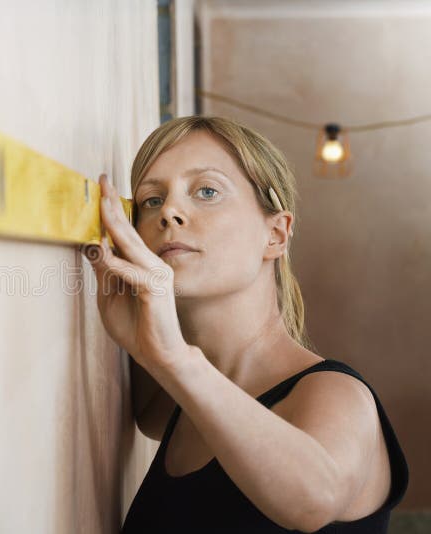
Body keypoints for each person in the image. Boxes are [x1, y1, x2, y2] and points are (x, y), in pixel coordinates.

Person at [84, 116, 408, 533]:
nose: (170, 212)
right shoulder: (170, 406)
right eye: (151, 200)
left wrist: (175, 359)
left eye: (206, 191)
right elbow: (147, 412)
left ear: (275, 234)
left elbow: (315, 500)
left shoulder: (337, 395)